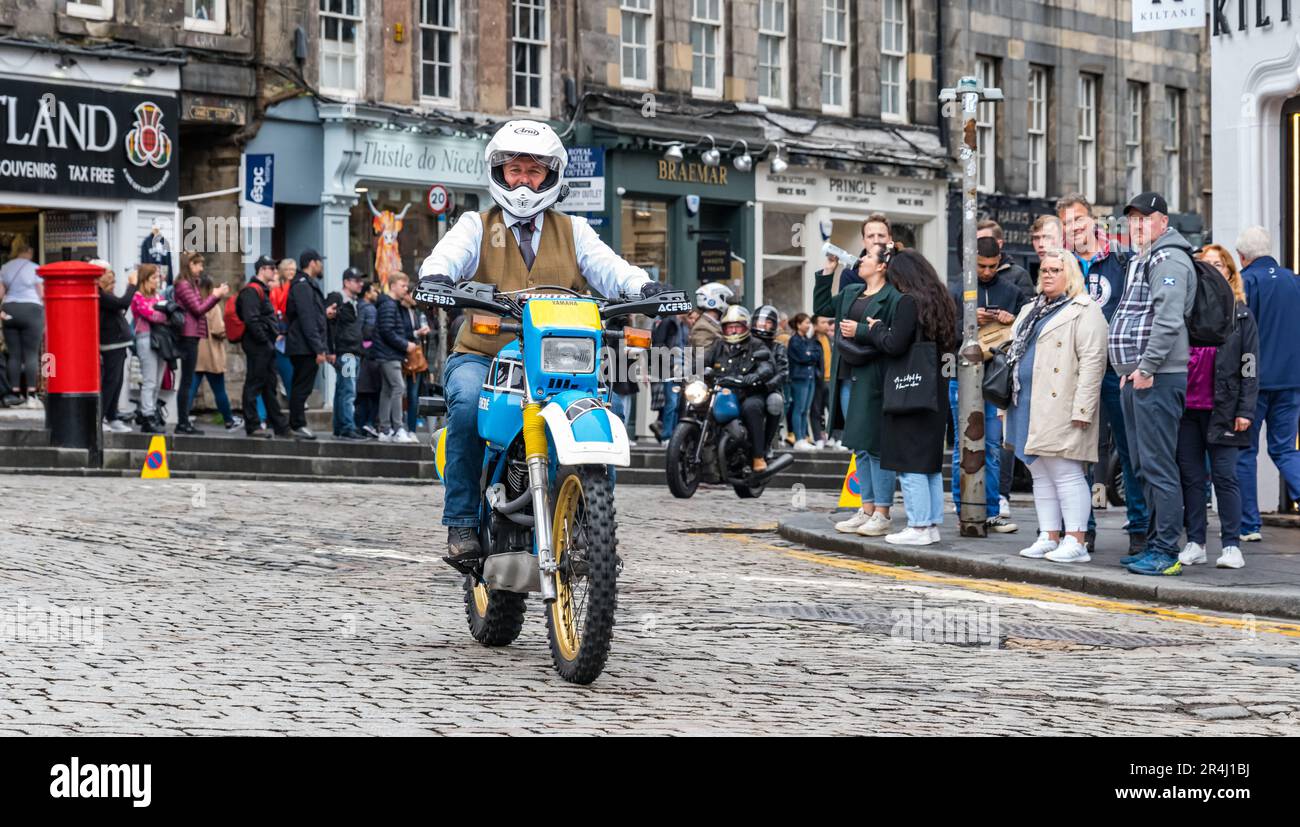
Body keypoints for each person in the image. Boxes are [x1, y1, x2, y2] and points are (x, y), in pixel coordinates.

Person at [416, 119, 663, 564]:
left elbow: (609, 267)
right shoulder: (477, 224)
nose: (523, 180)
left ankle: (590, 525)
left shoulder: (574, 230)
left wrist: (642, 288)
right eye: (514, 170)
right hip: (484, 355)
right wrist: (436, 277)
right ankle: (462, 523)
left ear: (551, 176)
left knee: (611, 410)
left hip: (560, 366)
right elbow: (447, 256)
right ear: (500, 173)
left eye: (533, 170)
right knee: (469, 404)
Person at [1110, 193, 1197, 577]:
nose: (1136, 226)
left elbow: (1167, 319)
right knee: (1144, 465)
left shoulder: (1169, 258)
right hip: (1140, 374)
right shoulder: (1142, 259)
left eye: (1144, 220)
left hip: (1158, 376)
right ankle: (1152, 544)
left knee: (1159, 465)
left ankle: (1165, 551)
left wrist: (1145, 367)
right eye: (1131, 220)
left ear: (1163, 222)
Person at [1058, 193, 1148, 554]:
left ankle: (1140, 528)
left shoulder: (1121, 261)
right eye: (1066, 223)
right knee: (1076, 450)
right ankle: (1081, 529)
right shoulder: (1061, 265)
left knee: (1129, 448)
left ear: (1091, 220)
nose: (1074, 228)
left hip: (1115, 367)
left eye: (1078, 220)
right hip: (1074, 370)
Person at [1006, 250, 1108, 563]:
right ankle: (1048, 535)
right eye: (1044, 270)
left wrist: (1083, 409)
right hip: (1026, 401)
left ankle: (1075, 540)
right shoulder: (1030, 309)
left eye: (1055, 270)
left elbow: (1093, 362)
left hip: (1062, 403)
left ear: (1071, 275)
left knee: (1066, 472)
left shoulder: (1085, 309)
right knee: (1039, 472)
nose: (1047, 275)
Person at [866, 250, 958, 546]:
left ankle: (918, 526)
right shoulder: (943, 301)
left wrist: (876, 329)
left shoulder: (909, 302)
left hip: (909, 391)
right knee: (928, 462)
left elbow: (894, 344)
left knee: (908, 463)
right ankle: (930, 524)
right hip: (936, 390)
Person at [1177, 245, 1258, 569]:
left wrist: (1246, 410)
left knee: (1225, 478)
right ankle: (1195, 542)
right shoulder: (1186, 312)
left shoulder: (1241, 314)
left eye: (1217, 265)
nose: (1210, 271)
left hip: (1224, 409)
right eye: (1204, 266)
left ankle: (1231, 545)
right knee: (1191, 478)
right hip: (1187, 409)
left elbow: (1249, 364)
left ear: (1228, 272)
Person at [815, 243, 902, 537]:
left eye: (867, 257)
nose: (860, 260)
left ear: (881, 266)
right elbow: (822, 308)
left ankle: (883, 511)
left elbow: (894, 337)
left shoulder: (893, 297)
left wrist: (861, 331)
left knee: (877, 447)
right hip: (848, 374)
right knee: (859, 447)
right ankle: (865, 509)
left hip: (874, 376)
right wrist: (828, 271)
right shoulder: (852, 293)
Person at [949, 235, 1026, 533]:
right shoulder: (956, 290)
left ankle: (991, 511)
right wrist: (968, 322)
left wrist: (1013, 320)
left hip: (996, 378)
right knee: (963, 447)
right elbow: (942, 333)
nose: (987, 272)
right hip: (960, 376)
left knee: (992, 447)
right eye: (981, 266)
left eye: (993, 266)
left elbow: (1026, 330)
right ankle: (964, 511)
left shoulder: (1010, 290)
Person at [1234, 225, 1300, 543]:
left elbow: (1240, 335)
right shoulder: (1294, 280)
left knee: (1245, 452)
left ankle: (1249, 525)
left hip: (1255, 381)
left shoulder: (1247, 282)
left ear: (1242, 256)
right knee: (1285, 449)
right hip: (1291, 379)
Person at [703, 305, 774, 472]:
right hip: (720, 391)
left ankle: (758, 456)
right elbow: (703, 361)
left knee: (752, 408)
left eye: (737, 326)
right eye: (729, 327)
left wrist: (757, 375)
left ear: (745, 326)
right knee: (696, 404)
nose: (733, 330)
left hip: (747, 392)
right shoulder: (718, 345)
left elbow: (768, 365)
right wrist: (692, 370)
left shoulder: (756, 344)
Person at [173, 253, 229, 434]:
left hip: (193, 335)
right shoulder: (183, 285)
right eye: (198, 265)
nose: (201, 268)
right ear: (189, 265)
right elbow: (198, 310)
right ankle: (182, 423)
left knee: (188, 381)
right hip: (188, 335)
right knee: (187, 382)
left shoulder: (191, 284)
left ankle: (184, 422)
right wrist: (216, 295)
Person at [236, 256, 289, 439]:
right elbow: (252, 320)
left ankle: (279, 424)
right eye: (271, 268)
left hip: (265, 345)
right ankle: (252, 424)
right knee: (254, 383)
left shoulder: (261, 291)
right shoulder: (252, 291)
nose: (274, 271)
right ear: (261, 270)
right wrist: (265, 341)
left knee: (269, 385)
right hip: (258, 345)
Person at [284, 249, 331, 440]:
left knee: (302, 386)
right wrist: (318, 348)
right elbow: (307, 319)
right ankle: (297, 424)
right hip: (304, 346)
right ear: (312, 263)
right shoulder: (303, 286)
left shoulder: (307, 285)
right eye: (319, 261)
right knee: (301, 387)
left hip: (306, 345)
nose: (321, 265)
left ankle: (298, 423)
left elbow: (313, 316)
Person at [189, 275, 243, 431]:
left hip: (196, 351)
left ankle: (183, 418)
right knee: (219, 390)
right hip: (212, 353)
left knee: (191, 387)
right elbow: (218, 330)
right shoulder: (213, 306)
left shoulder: (194, 304)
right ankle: (228, 419)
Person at [372, 273, 419, 443]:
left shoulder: (389, 304)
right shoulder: (389, 306)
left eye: (406, 286)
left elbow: (388, 330)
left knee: (387, 390)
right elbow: (387, 331)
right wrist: (405, 345)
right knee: (399, 388)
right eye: (402, 285)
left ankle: (385, 430)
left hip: (387, 354)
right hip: (389, 354)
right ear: (392, 286)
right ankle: (398, 428)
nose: (406, 289)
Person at [0, 243, 44, 407]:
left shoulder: (5, 268)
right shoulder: (34, 268)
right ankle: (31, 394)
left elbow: (1, 293)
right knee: (31, 354)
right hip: (31, 310)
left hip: (10, 309)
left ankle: (14, 392)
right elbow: (41, 294)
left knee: (14, 354)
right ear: (29, 252)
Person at [327, 267, 367, 440]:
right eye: (357, 280)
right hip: (346, 353)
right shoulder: (337, 298)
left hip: (352, 352)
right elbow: (328, 323)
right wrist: (330, 350)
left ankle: (340, 427)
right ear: (347, 282)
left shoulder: (354, 301)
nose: (361, 283)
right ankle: (346, 427)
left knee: (342, 390)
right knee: (348, 391)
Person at [96, 261, 136, 432]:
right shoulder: (101, 296)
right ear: (102, 281)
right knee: (111, 381)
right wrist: (132, 285)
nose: (113, 286)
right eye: (110, 282)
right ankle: (101, 418)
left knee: (118, 381)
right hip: (111, 343)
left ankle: (112, 416)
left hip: (119, 342)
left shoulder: (106, 297)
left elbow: (122, 304)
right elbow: (123, 302)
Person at [130, 264, 170, 434]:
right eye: (154, 278)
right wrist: (162, 313)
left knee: (157, 381)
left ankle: (152, 411)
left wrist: (162, 313)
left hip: (160, 340)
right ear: (144, 279)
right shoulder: (137, 297)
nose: (157, 280)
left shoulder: (157, 295)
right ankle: (147, 416)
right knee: (149, 381)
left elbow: (165, 315)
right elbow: (152, 315)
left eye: (158, 277)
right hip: (146, 339)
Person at [751, 304, 787, 454]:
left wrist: (768, 386)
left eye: (767, 322)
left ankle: (767, 444)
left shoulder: (778, 347)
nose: (763, 325)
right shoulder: (747, 344)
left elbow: (783, 372)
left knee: (775, 402)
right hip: (747, 387)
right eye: (759, 322)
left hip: (768, 389)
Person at [786, 313, 822, 450]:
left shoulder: (807, 340)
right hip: (799, 378)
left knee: (805, 409)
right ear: (798, 325)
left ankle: (803, 437)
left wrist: (810, 355)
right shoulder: (794, 341)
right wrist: (810, 355)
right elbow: (803, 357)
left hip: (810, 377)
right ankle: (798, 438)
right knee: (799, 408)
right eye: (806, 322)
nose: (809, 325)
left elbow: (816, 355)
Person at [976, 219, 1035, 301]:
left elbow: (1026, 310)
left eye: (985, 241)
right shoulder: (968, 275)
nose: (979, 246)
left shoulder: (1019, 276)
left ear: (999, 244)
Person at [354, 280, 382, 439]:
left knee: (358, 394)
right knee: (371, 394)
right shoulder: (370, 309)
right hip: (369, 356)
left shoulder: (357, 306)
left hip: (358, 354)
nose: (376, 293)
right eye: (373, 291)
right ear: (367, 293)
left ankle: (359, 425)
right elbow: (368, 331)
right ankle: (368, 424)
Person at [837, 213, 894, 290]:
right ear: (863, 242)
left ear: (890, 240)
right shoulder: (850, 274)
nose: (876, 241)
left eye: (881, 236)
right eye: (870, 236)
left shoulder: (902, 269)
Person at [811, 315, 833, 447]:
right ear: (815, 325)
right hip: (817, 381)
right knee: (816, 411)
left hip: (830, 380)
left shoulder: (830, 340)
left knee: (832, 411)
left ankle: (833, 438)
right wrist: (817, 375)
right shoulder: (811, 341)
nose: (826, 325)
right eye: (822, 322)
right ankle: (818, 438)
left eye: (827, 322)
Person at [690, 282, 732, 350]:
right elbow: (705, 355)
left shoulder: (714, 323)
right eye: (725, 299)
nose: (727, 304)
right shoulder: (702, 327)